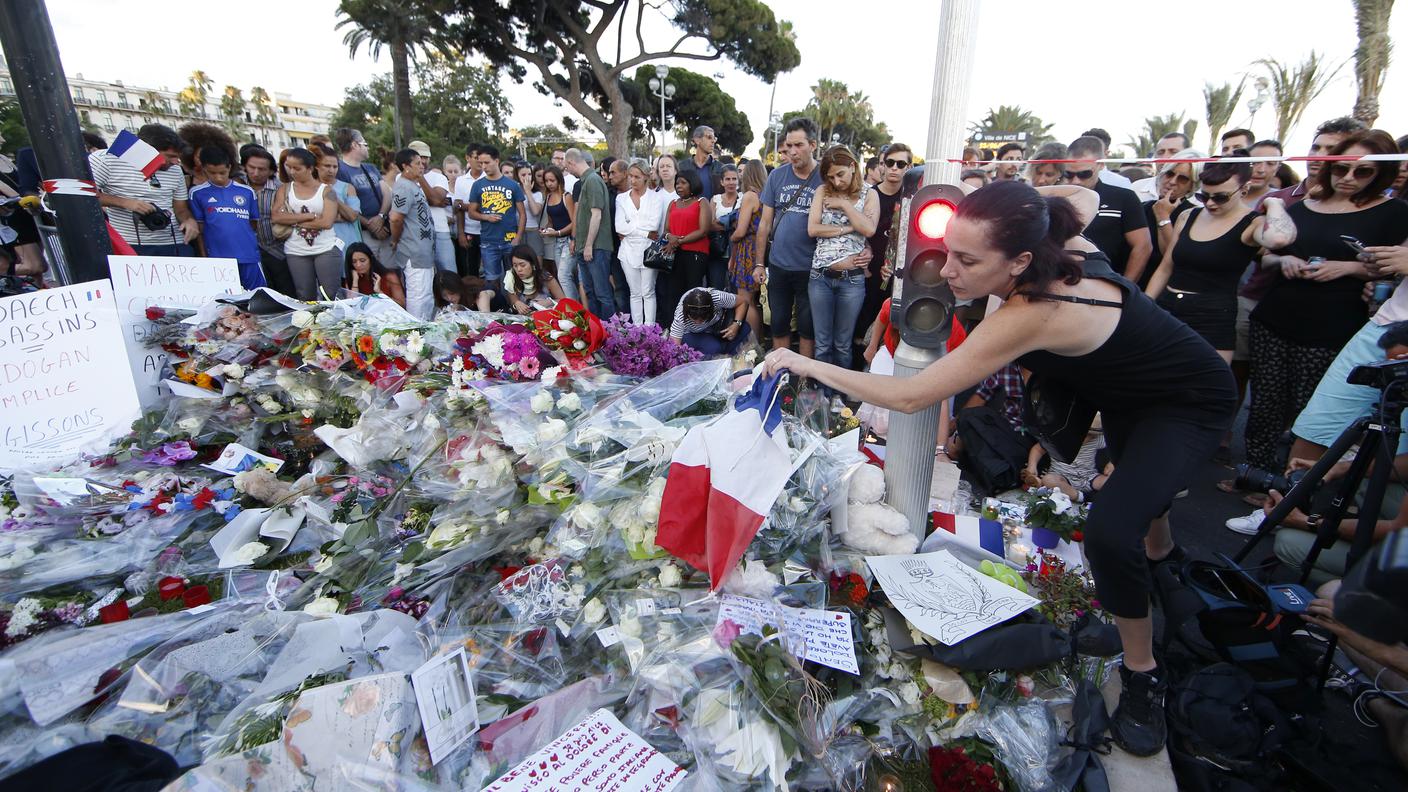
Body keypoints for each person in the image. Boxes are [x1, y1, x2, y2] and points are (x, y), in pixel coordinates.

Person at [763, 180, 1238, 757]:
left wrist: (800, 361)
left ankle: (1141, 672)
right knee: (1146, 491)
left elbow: (912, 396)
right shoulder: (1055, 234)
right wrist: (1011, 196)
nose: (947, 270)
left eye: (967, 259)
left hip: (1187, 398)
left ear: (1020, 260)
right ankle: (1162, 557)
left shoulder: (1034, 310)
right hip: (1126, 392)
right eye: (950, 250)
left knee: (1114, 530)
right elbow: (1078, 199)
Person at [1244, 129, 1408, 479]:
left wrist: (1349, 267)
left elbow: (1395, 269)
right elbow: (1267, 254)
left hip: (1335, 325)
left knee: (1311, 412)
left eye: (1362, 171)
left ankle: (1293, 486)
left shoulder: (1394, 213)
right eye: (1341, 168)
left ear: (1380, 172)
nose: (1348, 178)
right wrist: (1282, 261)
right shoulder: (1303, 206)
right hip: (1277, 314)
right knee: (1265, 403)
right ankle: (1254, 475)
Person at [1145, 155, 1297, 362]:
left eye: (1220, 197)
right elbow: (1166, 267)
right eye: (1203, 196)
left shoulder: (1252, 223)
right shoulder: (1188, 215)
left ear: (1244, 190)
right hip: (1167, 306)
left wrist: (1274, 204)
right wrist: (1145, 305)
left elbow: (1280, 238)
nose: (1210, 203)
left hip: (1212, 315)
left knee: (1204, 385)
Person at [807, 146, 877, 390]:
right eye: (830, 177)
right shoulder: (822, 191)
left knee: (843, 344)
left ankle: (839, 397)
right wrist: (848, 228)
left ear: (853, 167)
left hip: (853, 280)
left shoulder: (869, 194)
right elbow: (813, 229)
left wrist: (845, 206)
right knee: (823, 344)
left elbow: (869, 229)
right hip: (820, 277)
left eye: (840, 174)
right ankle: (821, 397)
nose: (836, 182)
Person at [757, 117, 825, 359]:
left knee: (808, 328)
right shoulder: (777, 176)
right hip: (779, 265)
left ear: (813, 145)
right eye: (789, 147)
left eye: (799, 145)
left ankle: (804, 381)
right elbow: (765, 223)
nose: (793, 152)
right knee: (779, 323)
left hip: (811, 267)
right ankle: (781, 378)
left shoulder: (825, 176)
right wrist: (759, 263)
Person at [90, 123, 198, 256]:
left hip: (175, 244)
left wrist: (189, 220)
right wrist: (127, 203)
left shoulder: (175, 170)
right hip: (130, 245)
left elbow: (181, 209)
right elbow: (83, 194)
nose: (176, 162)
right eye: (170, 156)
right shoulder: (106, 160)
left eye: (177, 156)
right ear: (147, 149)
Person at [1065, 135, 1152, 282]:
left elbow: (1143, 246)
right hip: (1061, 282)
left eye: (1084, 174)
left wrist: (1125, 288)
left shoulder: (1123, 198)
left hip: (1107, 281)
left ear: (1101, 165)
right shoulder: (1057, 198)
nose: (1076, 181)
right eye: (1069, 174)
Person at [188, 146, 265, 289]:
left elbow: (253, 223)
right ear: (204, 169)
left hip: (248, 256)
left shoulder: (247, 192)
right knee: (226, 302)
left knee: (258, 297)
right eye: (212, 173)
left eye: (222, 172)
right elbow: (200, 229)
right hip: (219, 260)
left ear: (229, 167)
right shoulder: (197, 193)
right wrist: (205, 258)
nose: (218, 177)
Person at [272, 148, 341, 301]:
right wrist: (308, 216)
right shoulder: (285, 189)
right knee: (305, 297)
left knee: (329, 295)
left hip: (326, 248)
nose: (292, 171)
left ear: (310, 168)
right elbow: (276, 216)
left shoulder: (326, 190)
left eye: (297, 168)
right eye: (288, 167)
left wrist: (292, 219)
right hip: (295, 250)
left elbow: (327, 222)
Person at [564, 148, 617, 319]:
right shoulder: (586, 180)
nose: (567, 170)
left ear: (571, 162)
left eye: (566, 166)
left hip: (596, 247)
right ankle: (595, 330)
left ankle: (610, 331)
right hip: (585, 247)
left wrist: (588, 245)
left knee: (602, 293)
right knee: (590, 292)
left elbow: (597, 214)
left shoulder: (593, 180)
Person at [657, 170, 714, 323]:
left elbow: (703, 230)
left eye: (683, 183)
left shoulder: (702, 202)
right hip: (674, 254)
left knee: (692, 293)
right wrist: (671, 238)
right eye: (677, 183)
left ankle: (692, 328)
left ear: (692, 184)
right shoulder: (673, 203)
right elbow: (666, 230)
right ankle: (672, 328)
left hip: (695, 254)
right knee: (672, 293)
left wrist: (678, 241)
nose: (679, 186)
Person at [1140, 149, 1202, 289]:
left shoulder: (1193, 214)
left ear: (1192, 186)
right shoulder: (1142, 207)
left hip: (1166, 287)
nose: (1172, 182)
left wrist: (1163, 217)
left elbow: (1173, 257)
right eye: (1170, 174)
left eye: (1183, 178)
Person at [466, 145, 525, 288]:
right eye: (481, 163)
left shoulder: (513, 185)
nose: (483, 167)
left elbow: (522, 214)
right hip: (488, 241)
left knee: (513, 278)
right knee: (491, 280)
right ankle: (496, 307)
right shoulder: (477, 185)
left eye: (487, 163)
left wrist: (517, 237)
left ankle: (514, 307)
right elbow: (471, 212)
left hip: (509, 240)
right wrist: (486, 217)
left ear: (497, 161)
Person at [241, 147, 297, 296]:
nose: (256, 173)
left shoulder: (281, 189)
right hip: (248, 251)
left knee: (286, 294)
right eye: (251, 167)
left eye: (262, 169)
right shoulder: (238, 187)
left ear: (271, 171)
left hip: (277, 250)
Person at [389, 148, 437, 319]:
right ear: (405, 166)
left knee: (426, 295)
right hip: (414, 250)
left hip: (422, 249)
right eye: (417, 163)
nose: (422, 166)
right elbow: (395, 218)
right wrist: (395, 240)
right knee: (419, 296)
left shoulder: (411, 185)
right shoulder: (402, 186)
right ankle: (415, 336)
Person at [334, 128, 393, 265]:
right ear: (355, 145)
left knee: (390, 271)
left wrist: (380, 216)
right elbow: (345, 205)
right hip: (364, 232)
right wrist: (370, 225)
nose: (368, 148)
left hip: (384, 227)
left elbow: (387, 193)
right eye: (365, 144)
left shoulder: (371, 168)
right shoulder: (340, 170)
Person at [615, 160, 663, 324]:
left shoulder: (655, 198)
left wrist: (631, 229)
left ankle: (650, 331)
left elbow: (654, 225)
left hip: (649, 250)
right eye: (630, 176)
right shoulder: (621, 198)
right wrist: (644, 232)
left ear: (645, 177)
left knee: (648, 291)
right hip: (627, 251)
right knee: (634, 292)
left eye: (637, 177)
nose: (632, 180)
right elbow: (619, 226)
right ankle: (637, 330)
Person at [728, 160, 767, 342]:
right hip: (760, 248)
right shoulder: (764, 195)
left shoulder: (750, 196)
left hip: (747, 249)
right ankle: (758, 341)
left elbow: (741, 230)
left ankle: (753, 344)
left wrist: (732, 237)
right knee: (755, 300)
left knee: (746, 300)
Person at [309, 142, 362, 252]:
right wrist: (338, 217)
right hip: (321, 244)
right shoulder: (309, 188)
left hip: (348, 241)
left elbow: (353, 216)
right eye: (327, 166)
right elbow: (309, 216)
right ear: (317, 167)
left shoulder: (347, 187)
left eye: (335, 166)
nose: (331, 170)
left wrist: (331, 194)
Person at [669, 286, 751, 355]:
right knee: (714, 348)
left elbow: (743, 302)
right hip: (692, 334)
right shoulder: (680, 314)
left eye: (702, 319)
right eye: (694, 319)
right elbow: (674, 347)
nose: (698, 322)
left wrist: (736, 325)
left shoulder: (717, 297)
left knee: (745, 329)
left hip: (717, 325)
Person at [537, 165, 577, 294]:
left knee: (564, 276)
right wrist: (547, 229)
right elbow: (551, 221)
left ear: (559, 180)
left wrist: (558, 232)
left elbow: (574, 222)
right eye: (546, 181)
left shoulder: (566, 196)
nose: (549, 184)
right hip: (557, 242)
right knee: (563, 276)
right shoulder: (548, 198)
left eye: (552, 180)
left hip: (569, 240)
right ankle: (572, 305)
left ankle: (574, 309)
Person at [503, 244, 566, 314]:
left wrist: (550, 302)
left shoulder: (546, 278)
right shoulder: (511, 278)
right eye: (515, 266)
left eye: (522, 265)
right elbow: (513, 302)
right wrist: (516, 304)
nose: (519, 269)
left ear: (532, 264)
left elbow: (564, 301)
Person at [1130, 132, 1192, 201]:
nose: (1165, 157)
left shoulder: (1200, 197)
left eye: (1173, 152)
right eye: (1160, 152)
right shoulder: (1137, 188)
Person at [452, 143, 484, 277]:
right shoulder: (461, 180)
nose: (479, 161)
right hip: (469, 231)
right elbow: (457, 207)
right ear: (468, 158)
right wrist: (460, 233)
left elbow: (487, 207)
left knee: (490, 270)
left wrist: (466, 206)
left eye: (481, 158)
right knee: (470, 270)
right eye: (476, 157)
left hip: (487, 232)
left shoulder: (489, 178)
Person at [709, 164, 741, 291]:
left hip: (738, 253)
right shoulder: (715, 199)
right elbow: (710, 225)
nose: (731, 182)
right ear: (722, 182)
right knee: (716, 289)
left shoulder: (743, 199)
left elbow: (742, 225)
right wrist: (731, 224)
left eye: (734, 179)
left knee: (735, 291)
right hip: (718, 252)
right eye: (728, 179)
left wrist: (721, 222)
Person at [677, 125, 725, 200]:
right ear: (697, 140)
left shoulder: (720, 168)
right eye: (709, 137)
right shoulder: (682, 167)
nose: (713, 141)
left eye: (714, 138)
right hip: (690, 210)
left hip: (714, 210)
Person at [1242, 139, 1283, 209]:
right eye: (1255, 162)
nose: (1261, 170)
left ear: (1277, 168)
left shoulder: (1283, 200)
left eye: (1270, 163)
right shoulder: (1224, 195)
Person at [516, 162, 545, 260]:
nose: (527, 178)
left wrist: (528, 191)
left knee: (537, 261)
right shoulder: (514, 190)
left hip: (533, 230)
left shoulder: (537, 194)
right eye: (523, 175)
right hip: (517, 230)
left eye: (529, 174)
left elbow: (535, 211)